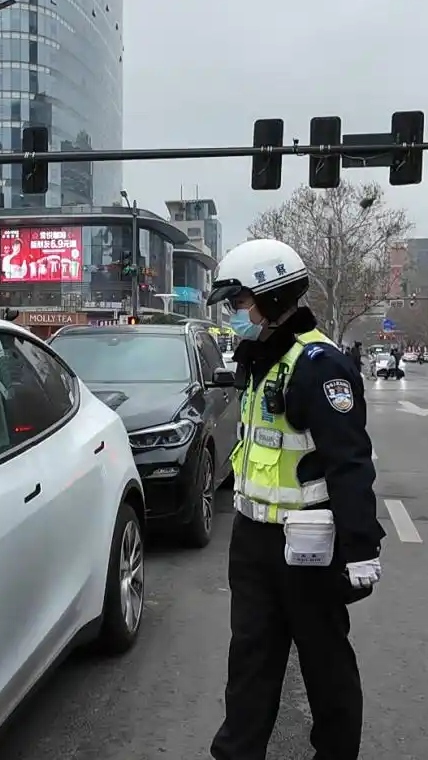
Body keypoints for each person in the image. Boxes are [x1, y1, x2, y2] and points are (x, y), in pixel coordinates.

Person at [205, 238, 384, 760]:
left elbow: (349, 461)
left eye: (239, 303)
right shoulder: (260, 359)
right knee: (250, 662)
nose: (235, 314)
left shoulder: (318, 365)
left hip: (307, 546)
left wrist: (360, 547)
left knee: (325, 664)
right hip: (253, 540)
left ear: (272, 298)